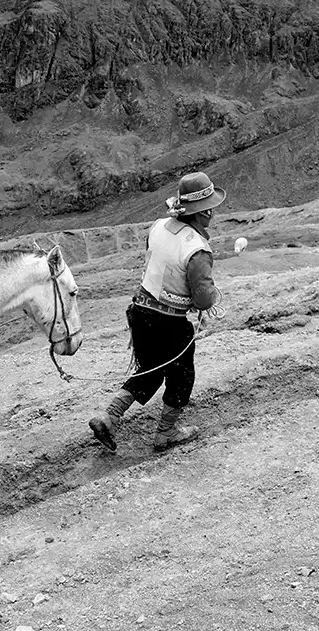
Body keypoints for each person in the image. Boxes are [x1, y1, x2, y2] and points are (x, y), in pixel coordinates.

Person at [89, 172, 225, 452]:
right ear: (204, 212)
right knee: (181, 376)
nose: (212, 212)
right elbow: (202, 299)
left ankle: (109, 416)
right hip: (170, 323)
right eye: (211, 207)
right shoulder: (198, 250)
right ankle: (166, 432)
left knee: (150, 369)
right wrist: (211, 297)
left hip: (140, 312)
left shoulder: (159, 226)